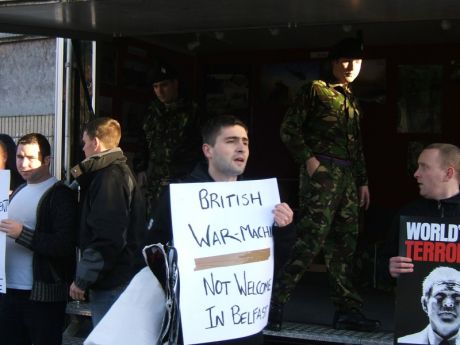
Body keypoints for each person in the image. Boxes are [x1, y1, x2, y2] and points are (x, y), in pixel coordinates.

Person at [147, 115, 295, 345]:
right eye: (231, 141)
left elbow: (277, 264)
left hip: (245, 325)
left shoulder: (261, 201)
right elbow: (150, 254)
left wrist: (284, 229)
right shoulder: (180, 198)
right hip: (196, 327)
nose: (241, 148)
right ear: (208, 150)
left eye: (245, 142)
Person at [269, 37, 379, 332]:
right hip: (322, 175)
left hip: (347, 179)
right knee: (309, 240)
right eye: (344, 61)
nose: (350, 66)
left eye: (356, 62)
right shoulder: (316, 90)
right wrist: (309, 160)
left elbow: (356, 147)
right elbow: (289, 129)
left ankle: (347, 310)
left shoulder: (352, 100)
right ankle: (273, 303)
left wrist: (362, 181)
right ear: (333, 63)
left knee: (344, 246)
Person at [0, 133, 77, 345]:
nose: (23, 164)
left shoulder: (59, 194)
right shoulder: (19, 190)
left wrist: (22, 234)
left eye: (30, 158)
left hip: (42, 295)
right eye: (19, 157)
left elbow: (65, 244)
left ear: (47, 160)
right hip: (9, 290)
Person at [69, 117, 146, 326]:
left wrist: (82, 279)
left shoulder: (109, 177)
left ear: (95, 143)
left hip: (113, 282)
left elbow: (107, 237)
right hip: (116, 278)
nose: (83, 149)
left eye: (84, 143)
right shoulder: (115, 172)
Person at [134, 61, 203, 214]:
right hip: (156, 182)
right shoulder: (151, 112)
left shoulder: (193, 111)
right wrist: (141, 168)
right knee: (154, 224)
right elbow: (142, 141)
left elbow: (203, 146)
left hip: (184, 179)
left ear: (175, 84)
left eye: (164, 85)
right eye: (155, 87)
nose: (160, 91)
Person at [389, 143, 460, 278]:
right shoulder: (408, 213)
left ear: (448, 173)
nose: (416, 174)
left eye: (424, 167)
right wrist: (389, 267)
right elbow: (381, 260)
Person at [398, 266, 460, 344]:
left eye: (457, 297)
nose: (448, 304)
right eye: (440, 296)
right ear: (424, 303)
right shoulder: (402, 343)